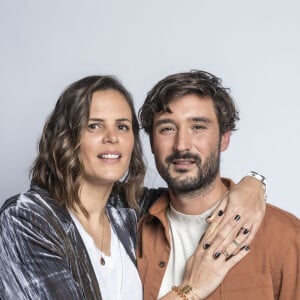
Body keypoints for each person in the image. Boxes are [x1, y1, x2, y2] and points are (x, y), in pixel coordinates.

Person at [0, 75, 265, 300]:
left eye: (122, 127)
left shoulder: (126, 209)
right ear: (66, 138)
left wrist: (253, 185)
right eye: (94, 125)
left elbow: (194, 192)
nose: (112, 137)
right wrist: (190, 289)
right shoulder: (27, 219)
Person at [137, 70, 300, 300]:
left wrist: (257, 181)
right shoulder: (130, 229)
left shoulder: (285, 236)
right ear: (152, 142)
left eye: (198, 127)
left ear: (224, 138)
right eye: (167, 129)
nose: (182, 145)